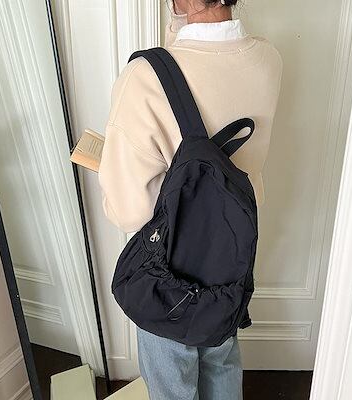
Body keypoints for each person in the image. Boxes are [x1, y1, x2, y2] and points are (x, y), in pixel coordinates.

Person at [98, 0, 283, 398]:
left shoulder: (143, 78)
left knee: (173, 381)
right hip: (230, 252)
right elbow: (207, 77)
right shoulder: (268, 59)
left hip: (169, 269)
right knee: (221, 359)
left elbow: (129, 210)